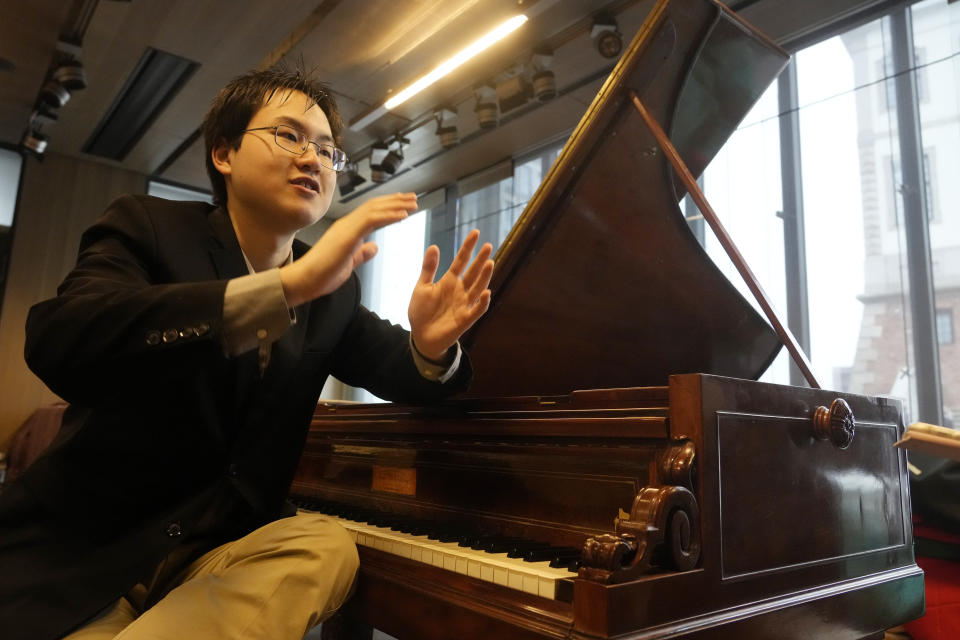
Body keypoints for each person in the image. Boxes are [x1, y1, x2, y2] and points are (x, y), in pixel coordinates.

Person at [0, 64, 494, 640]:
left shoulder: (333, 290)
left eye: (328, 151)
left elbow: (402, 370)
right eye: (289, 136)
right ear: (224, 154)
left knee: (326, 545)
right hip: (88, 560)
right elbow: (61, 338)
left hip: (215, 560)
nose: (313, 159)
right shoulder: (150, 227)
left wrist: (433, 347)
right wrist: (282, 289)